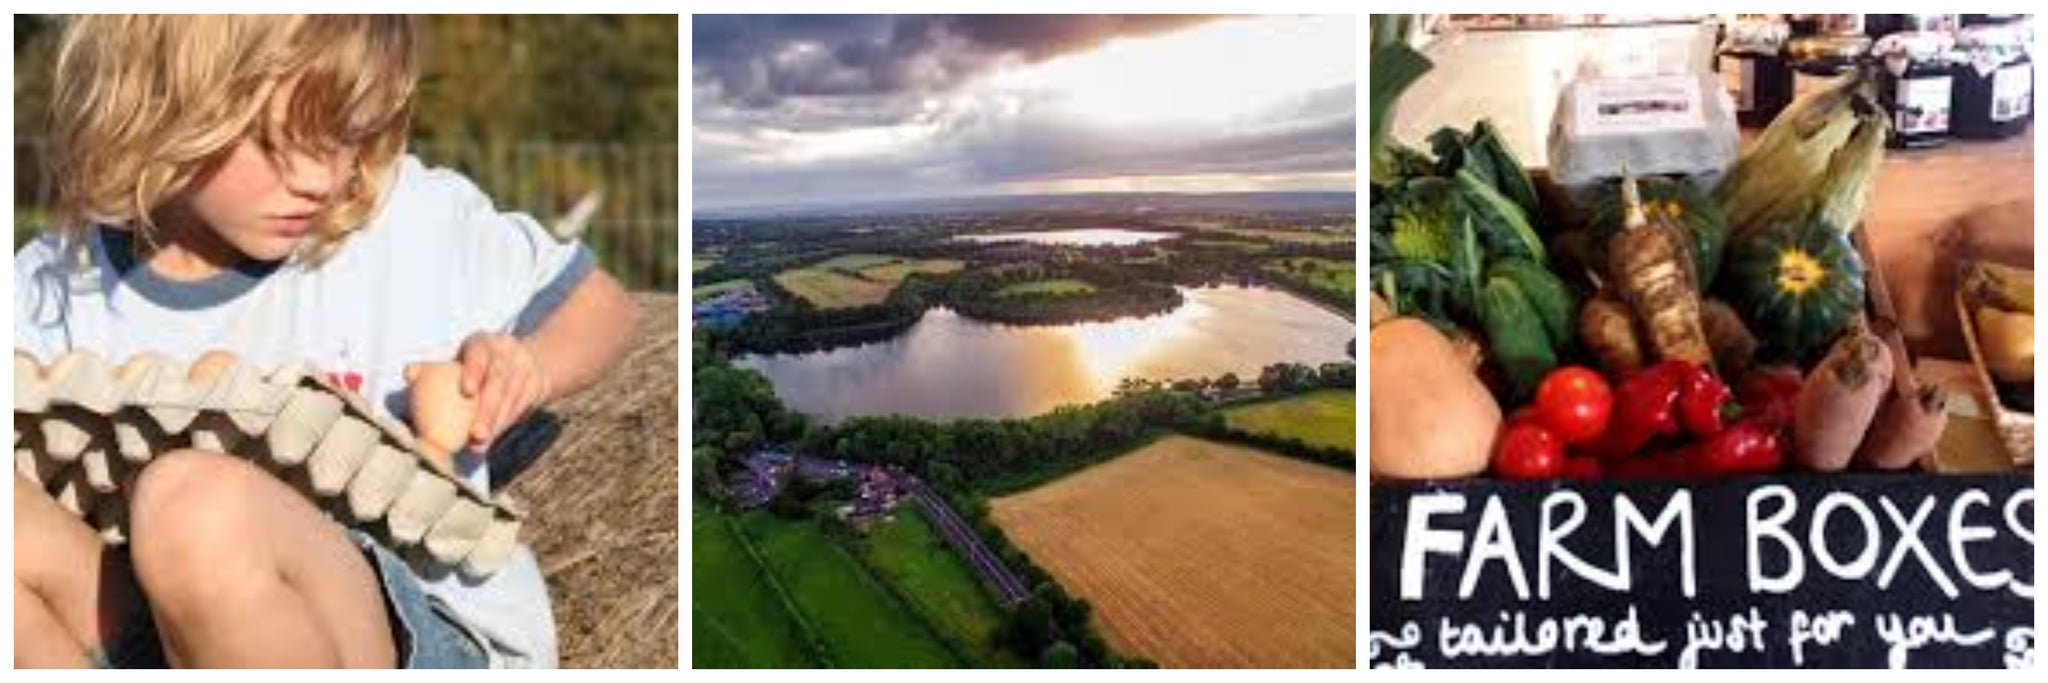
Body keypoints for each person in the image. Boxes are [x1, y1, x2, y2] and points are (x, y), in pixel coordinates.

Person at [14, 15, 639, 668]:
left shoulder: (406, 223)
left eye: (346, 133)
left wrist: (529, 365)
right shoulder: (52, 285)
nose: (318, 177)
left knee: (196, 507)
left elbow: (604, 306)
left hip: (413, 625)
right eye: (275, 142)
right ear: (155, 103)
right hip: (180, 635)